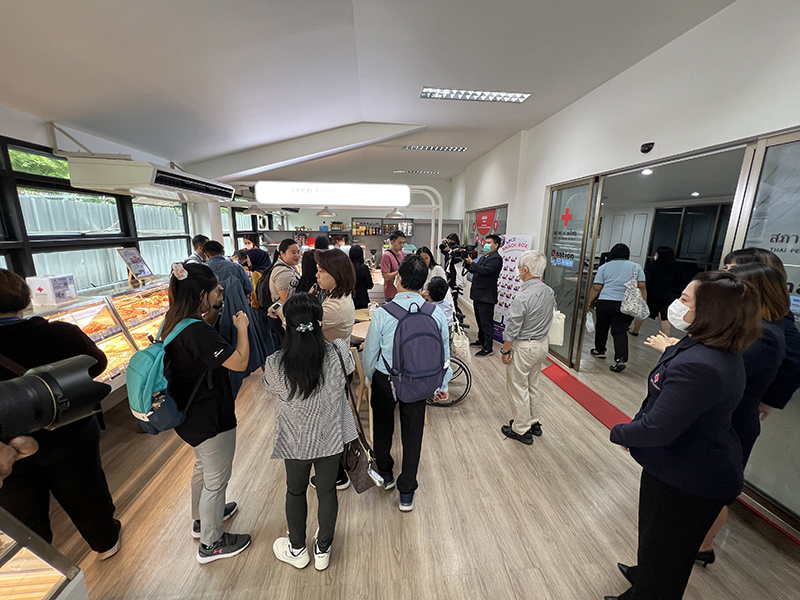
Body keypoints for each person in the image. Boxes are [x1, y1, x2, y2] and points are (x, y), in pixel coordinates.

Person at [605, 271, 760, 600]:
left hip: (690, 476)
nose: (677, 304)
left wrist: (619, 432)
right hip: (675, 465)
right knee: (655, 545)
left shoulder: (703, 364)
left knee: (666, 559)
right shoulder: (706, 348)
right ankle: (642, 580)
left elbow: (657, 427)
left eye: (686, 300)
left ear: (710, 312)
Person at [0, 269, 121, 560]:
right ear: (25, 298)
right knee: (87, 489)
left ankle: (42, 566)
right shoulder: (60, 333)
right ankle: (105, 542)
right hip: (70, 430)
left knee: (23, 514)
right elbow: (97, 365)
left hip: (9, 450)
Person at [162, 262, 252, 564]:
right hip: (209, 416)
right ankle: (212, 543)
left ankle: (201, 520)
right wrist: (242, 329)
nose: (222, 289)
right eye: (216, 288)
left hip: (189, 416)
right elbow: (239, 362)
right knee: (217, 479)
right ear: (202, 294)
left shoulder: (175, 321)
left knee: (203, 468)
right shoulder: (198, 332)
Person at [262, 294, 358, 571]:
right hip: (330, 439)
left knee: (295, 492)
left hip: (294, 442)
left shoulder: (275, 363)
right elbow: (348, 373)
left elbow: (271, 389)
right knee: (327, 491)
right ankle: (324, 549)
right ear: (321, 322)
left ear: (285, 325)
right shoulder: (339, 351)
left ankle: (297, 548)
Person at [363, 255, 452, 512]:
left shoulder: (384, 312)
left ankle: (387, 473)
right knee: (413, 435)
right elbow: (444, 354)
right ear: (423, 282)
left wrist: (371, 378)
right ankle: (407, 492)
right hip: (419, 380)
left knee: (382, 427)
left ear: (399, 278)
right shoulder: (435, 312)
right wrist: (442, 385)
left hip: (386, 378)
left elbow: (370, 353)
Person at [724, 248, 800, 419]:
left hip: (737, 405)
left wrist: (771, 400)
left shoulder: (770, 321)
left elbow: (795, 360)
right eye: (726, 268)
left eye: (732, 268)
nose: (726, 273)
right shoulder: (743, 310)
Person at [499, 250, 555, 445]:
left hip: (524, 347)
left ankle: (522, 429)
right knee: (533, 384)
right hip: (541, 345)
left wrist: (506, 351)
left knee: (518, 387)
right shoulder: (548, 291)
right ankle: (534, 421)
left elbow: (512, 328)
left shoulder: (522, 297)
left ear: (525, 269)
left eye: (519, 267)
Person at [204, 240, 268, 398]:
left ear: (206, 255)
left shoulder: (203, 270)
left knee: (216, 349)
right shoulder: (236, 267)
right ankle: (239, 371)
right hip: (238, 314)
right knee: (237, 342)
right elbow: (249, 288)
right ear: (222, 251)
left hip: (212, 316)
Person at [587, 243, 646, 373]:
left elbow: (597, 287)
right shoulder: (636, 267)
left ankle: (600, 350)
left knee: (602, 327)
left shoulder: (604, 267)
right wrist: (643, 302)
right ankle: (620, 358)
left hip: (605, 302)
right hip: (626, 304)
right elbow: (641, 286)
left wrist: (588, 302)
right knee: (619, 330)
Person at [464, 234, 503, 357]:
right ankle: (481, 340)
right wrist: (467, 262)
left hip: (486, 296)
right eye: (485, 242)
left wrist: (473, 263)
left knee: (486, 322)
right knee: (479, 320)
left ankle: (488, 348)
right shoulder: (484, 256)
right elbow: (475, 270)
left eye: (489, 242)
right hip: (478, 294)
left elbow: (485, 271)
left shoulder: (496, 259)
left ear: (496, 245)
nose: (485, 245)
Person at [630, 246, 678, 336]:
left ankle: (635, 330)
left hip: (653, 295)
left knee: (643, 312)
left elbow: (647, 282)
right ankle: (665, 337)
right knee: (664, 317)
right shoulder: (674, 268)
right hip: (667, 296)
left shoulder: (653, 266)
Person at [315, 248, 356, 343]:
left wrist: (277, 308)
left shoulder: (335, 306)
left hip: (330, 356)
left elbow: (295, 325)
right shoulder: (340, 296)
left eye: (321, 271)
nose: (317, 275)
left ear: (336, 274)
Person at [266, 239, 302, 344]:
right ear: (282, 253)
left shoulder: (289, 267)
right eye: (293, 253)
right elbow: (287, 299)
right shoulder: (283, 272)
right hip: (281, 316)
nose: (297, 255)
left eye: (298, 252)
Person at [439, 233, 463, 312]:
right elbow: (442, 250)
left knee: (453, 302)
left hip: (455, 281)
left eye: (451, 242)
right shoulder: (449, 252)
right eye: (448, 242)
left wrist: (449, 250)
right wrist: (443, 243)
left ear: (456, 243)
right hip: (448, 278)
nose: (449, 244)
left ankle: (456, 317)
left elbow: (456, 259)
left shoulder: (459, 252)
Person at [380, 230, 406, 300]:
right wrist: (400, 271)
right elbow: (386, 277)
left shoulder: (401, 254)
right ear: (392, 242)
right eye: (400, 243)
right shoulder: (386, 256)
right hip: (391, 294)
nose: (402, 245)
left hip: (402, 292)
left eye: (403, 243)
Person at [349, 244, 374, 309]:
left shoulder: (346, 268)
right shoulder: (364, 268)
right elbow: (370, 285)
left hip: (349, 299)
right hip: (363, 300)